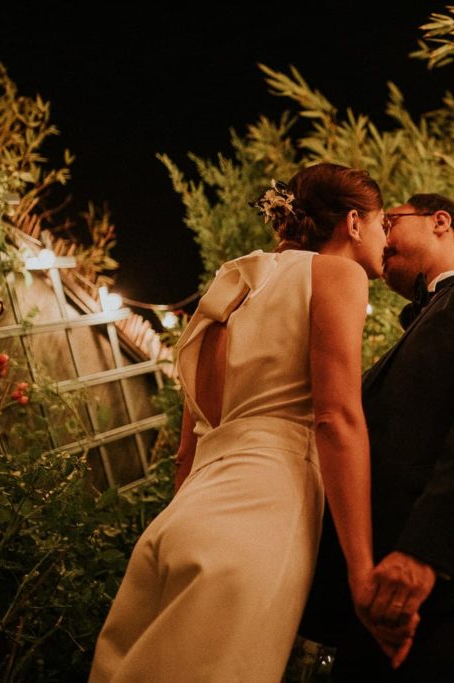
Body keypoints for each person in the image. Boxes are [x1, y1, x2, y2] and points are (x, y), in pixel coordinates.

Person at [89, 163, 391, 682]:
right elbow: (336, 418)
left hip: (180, 520)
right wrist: (362, 572)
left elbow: (185, 456)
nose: (388, 238)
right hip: (259, 518)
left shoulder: (229, 291)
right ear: (355, 222)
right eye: (385, 223)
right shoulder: (339, 275)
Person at [301, 193, 454, 681]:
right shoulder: (385, 356)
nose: (382, 234)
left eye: (391, 221)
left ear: (440, 222)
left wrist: (424, 551)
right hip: (371, 615)